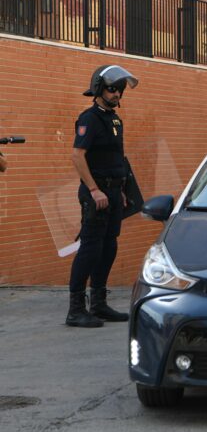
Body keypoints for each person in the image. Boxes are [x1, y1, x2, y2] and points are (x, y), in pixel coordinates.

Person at [66, 65, 138, 328]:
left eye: (119, 89)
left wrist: (121, 190)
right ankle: (75, 309)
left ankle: (98, 304)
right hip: (95, 193)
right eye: (111, 88)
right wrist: (95, 190)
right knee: (90, 248)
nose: (117, 93)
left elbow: (116, 157)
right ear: (98, 88)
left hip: (114, 192)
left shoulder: (114, 119)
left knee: (109, 246)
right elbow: (77, 156)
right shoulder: (89, 118)